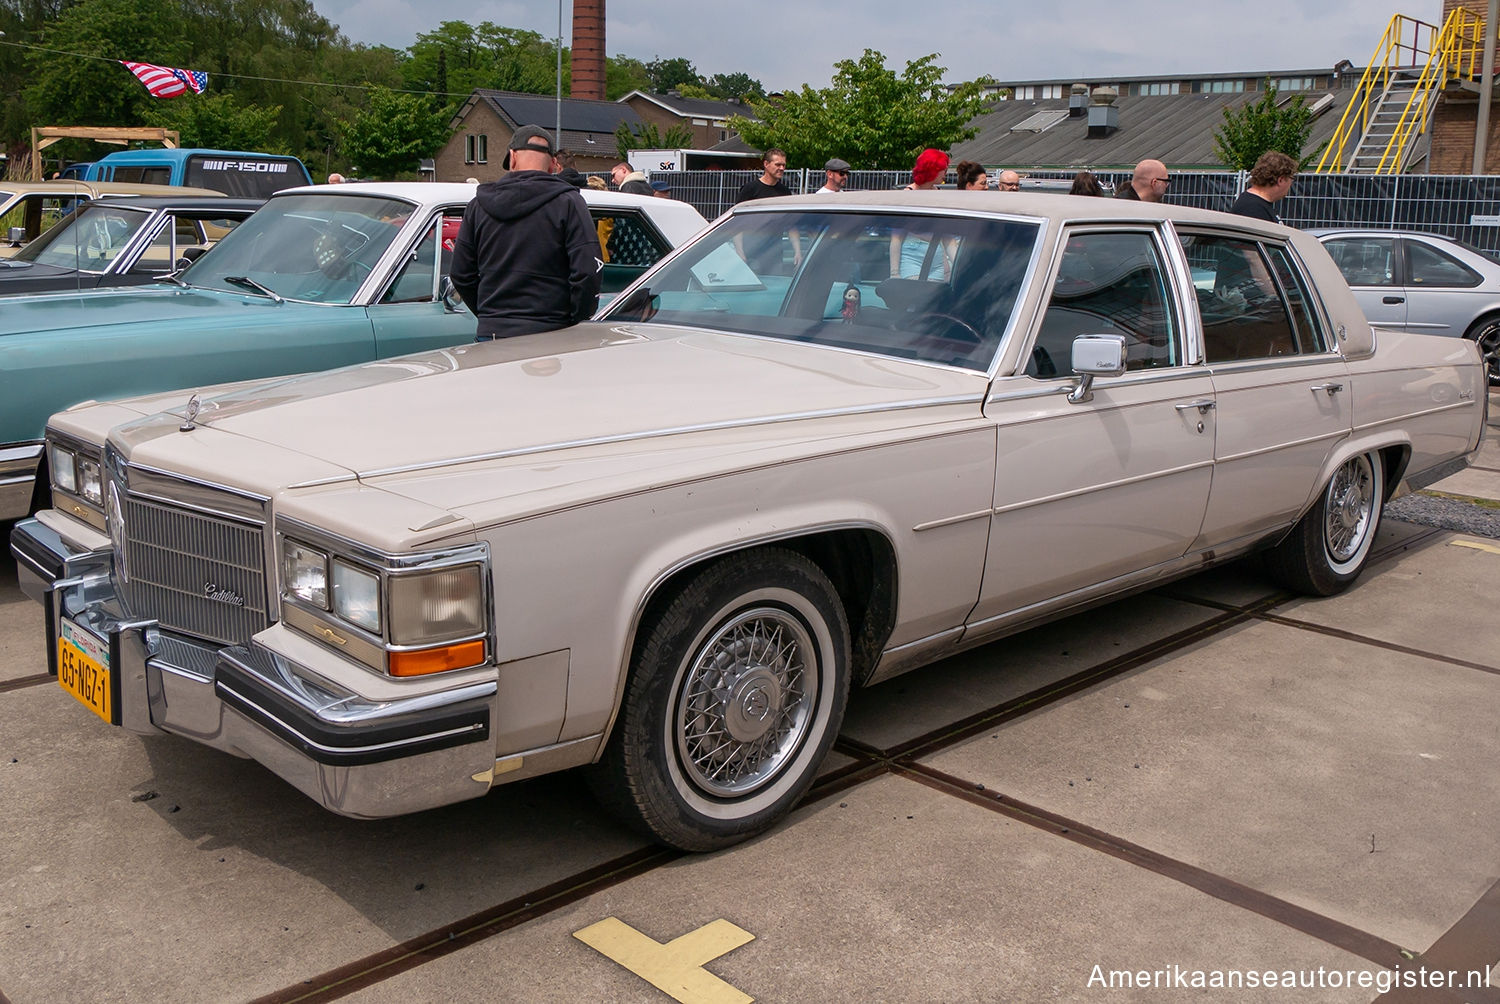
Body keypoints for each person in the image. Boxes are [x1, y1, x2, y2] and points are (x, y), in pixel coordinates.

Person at [450, 125, 602, 342]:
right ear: (553, 165)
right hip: (552, 333)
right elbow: (588, 271)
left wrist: (490, 313)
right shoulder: (569, 203)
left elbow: (460, 273)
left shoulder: (478, 206)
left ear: (512, 157)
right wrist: (575, 320)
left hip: (493, 333)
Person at [892, 149, 952, 278]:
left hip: (937, 256)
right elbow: (896, 237)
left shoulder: (940, 194)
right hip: (912, 256)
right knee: (915, 295)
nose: (946, 173)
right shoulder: (908, 195)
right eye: (944, 169)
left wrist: (955, 264)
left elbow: (947, 236)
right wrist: (894, 273)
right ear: (933, 170)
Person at [1230, 150, 1297, 223]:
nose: (1291, 184)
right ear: (1280, 180)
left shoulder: (1256, 205)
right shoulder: (1253, 209)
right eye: (1292, 178)